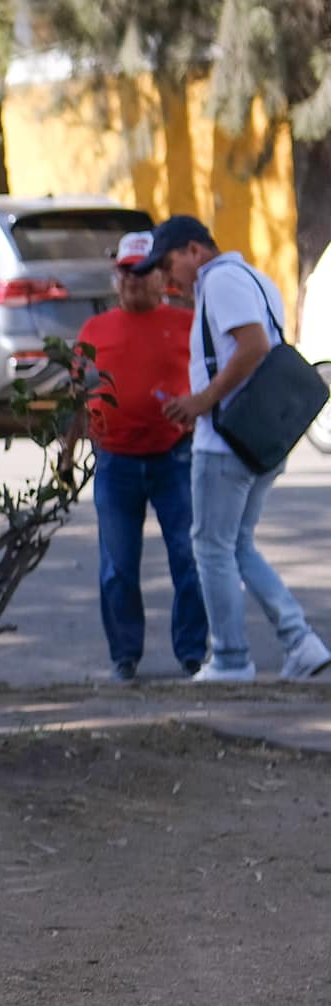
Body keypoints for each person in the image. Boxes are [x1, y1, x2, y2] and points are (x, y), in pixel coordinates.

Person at [143, 214, 331, 681]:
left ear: (194, 251)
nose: (167, 281)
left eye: (168, 266)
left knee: (210, 547)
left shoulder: (221, 280)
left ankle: (230, 658)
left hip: (225, 442)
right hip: (257, 434)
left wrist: (202, 401)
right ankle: (300, 641)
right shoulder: (255, 277)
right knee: (236, 544)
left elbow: (253, 347)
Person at [66, 231, 205, 681]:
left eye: (142, 272)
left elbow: (214, 382)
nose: (132, 281)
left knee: (188, 557)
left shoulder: (186, 323)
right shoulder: (94, 330)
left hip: (174, 458)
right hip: (115, 462)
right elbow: (75, 396)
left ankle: (193, 654)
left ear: (161, 278)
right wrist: (66, 456)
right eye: (126, 271)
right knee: (117, 567)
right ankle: (124, 656)